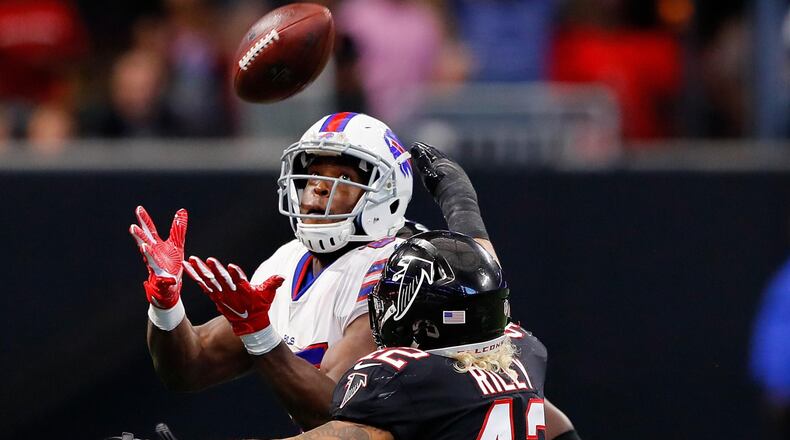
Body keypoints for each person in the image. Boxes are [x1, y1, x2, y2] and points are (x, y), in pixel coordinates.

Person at [180, 142, 580, 439]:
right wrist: (460, 202)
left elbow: (344, 434)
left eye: (391, 298)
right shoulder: (522, 350)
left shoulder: (407, 376)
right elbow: (481, 279)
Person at [129, 112, 413, 429]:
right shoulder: (288, 261)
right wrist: (165, 304)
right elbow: (190, 367)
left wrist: (259, 333)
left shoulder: (394, 267)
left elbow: (341, 410)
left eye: (344, 178)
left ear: (387, 195)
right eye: (314, 173)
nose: (319, 187)